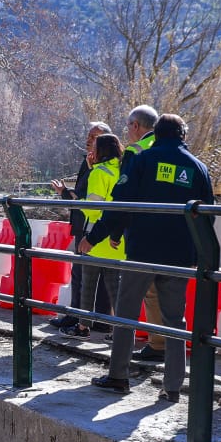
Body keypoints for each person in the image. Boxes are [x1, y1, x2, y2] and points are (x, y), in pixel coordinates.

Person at [83, 113, 214, 403]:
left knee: (127, 314)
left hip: (142, 251)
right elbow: (208, 217)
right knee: (174, 320)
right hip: (179, 254)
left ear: (157, 133)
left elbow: (120, 204)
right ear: (182, 135)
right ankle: (173, 387)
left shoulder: (141, 160)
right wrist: (197, 254)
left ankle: (118, 377)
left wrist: (94, 237)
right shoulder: (199, 168)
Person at [51, 122, 114, 333]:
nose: (89, 140)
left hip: (92, 229)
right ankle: (94, 320)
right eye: (88, 136)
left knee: (85, 277)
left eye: (94, 137)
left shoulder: (100, 170)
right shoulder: (93, 164)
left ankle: (80, 321)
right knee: (97, 279)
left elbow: (89, 201)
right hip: (94, 227)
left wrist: (69, 196)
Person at [62, 132, 123, 337]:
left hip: (95, 238)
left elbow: (93, 209)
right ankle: (119, 330)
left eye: (94, 149)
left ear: (101, 152)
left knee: (88, 286)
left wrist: (77, 202)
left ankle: (82, 327)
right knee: (115, 288)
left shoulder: (99, 173)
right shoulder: (122, 171)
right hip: (117, 240)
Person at [123, 105, 167, 364]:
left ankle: (157, 344)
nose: (127, 132)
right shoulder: (169, 148)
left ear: (136, 126)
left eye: (128, 126)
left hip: (142, 230)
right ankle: (166, 341)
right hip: (171, 229)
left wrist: (117, 229)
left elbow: (124, 196)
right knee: (169, 289)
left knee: (147, 289)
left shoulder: (135, 151)